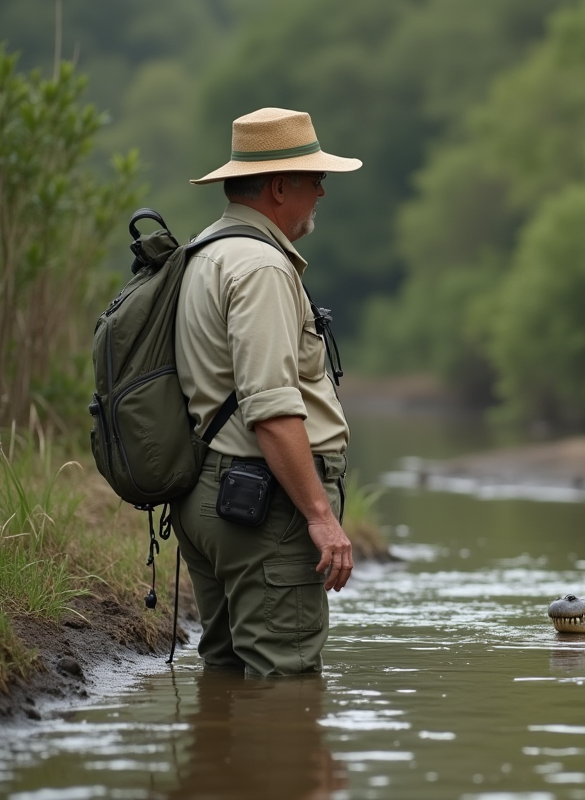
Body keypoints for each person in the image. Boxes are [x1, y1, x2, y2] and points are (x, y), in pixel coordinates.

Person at [172, 107, 361, 677]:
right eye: (314, 178)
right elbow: (271, 408)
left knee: (229, 674)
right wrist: (320, 516)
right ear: (280, 187)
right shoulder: (261, 267)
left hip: (215, 496)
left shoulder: (205, 250)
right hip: (261, 508)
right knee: (286, 684)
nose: (323, 192)